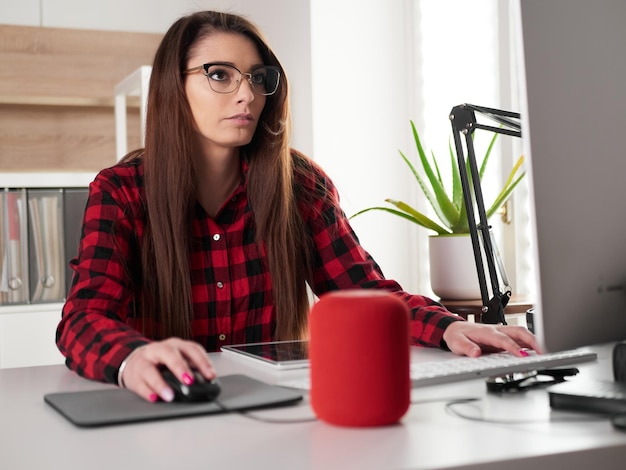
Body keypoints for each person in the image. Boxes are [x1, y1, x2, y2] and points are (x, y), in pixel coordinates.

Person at [56, 10, 540, 403]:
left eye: (256, 77)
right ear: (172, 88)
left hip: (275, 410)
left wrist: (450, 327)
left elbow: (363, 291)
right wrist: (131, 359)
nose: (246, 94)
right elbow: (83, 318)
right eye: (219, 75)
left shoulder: (299, 184)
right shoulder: (120, 192)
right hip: (164, 411)